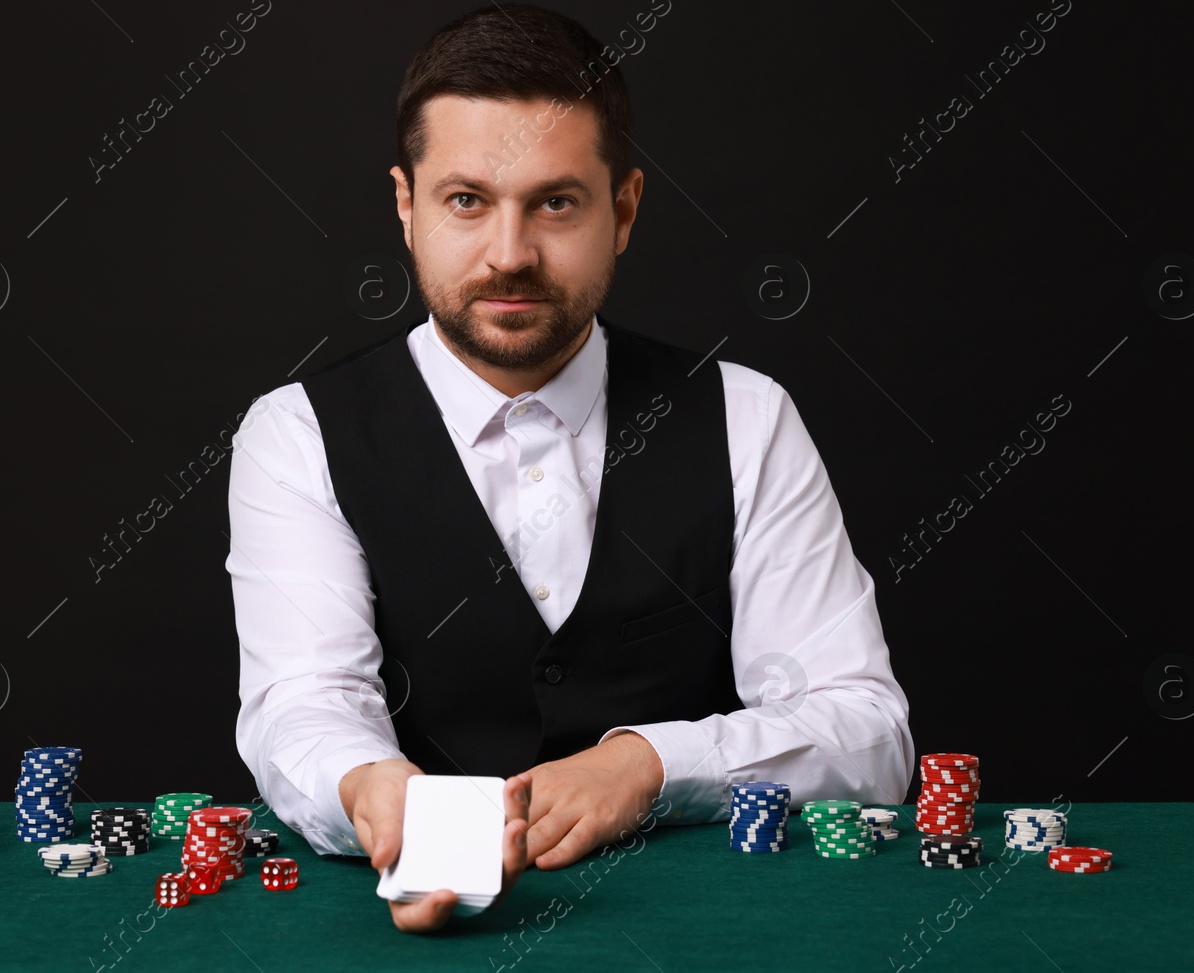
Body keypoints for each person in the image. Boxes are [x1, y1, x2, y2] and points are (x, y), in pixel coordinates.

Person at [227, 2, 914, 933]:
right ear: (406, 207)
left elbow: (866, 729)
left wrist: (648, 766)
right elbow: (302, 707)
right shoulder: (297, 434)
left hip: (708, 932)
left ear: (624, 210)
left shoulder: (744, 417)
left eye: (555, 202)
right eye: (466, 200)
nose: (510, 255)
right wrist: (384, 797)